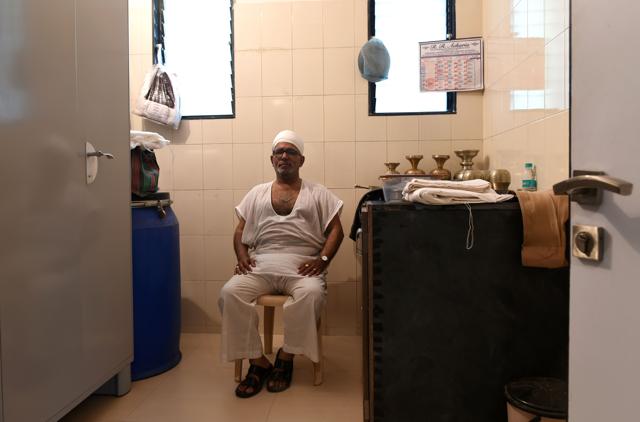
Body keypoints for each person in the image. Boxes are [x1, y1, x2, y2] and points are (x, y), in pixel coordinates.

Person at [218, 129, 344, 398]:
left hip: (301, 265)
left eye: (291, 152)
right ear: (272, 159)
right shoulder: (257, 193)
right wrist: (242, 257)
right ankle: (258, 361)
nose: (284, 156)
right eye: (279, 152)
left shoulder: (318, 192)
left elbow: (337, 229)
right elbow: (240, 231)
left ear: (301, 160)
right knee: (230, 293)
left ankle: (286, 357)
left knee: (311, 295)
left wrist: (322, 259)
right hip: (261, 262)